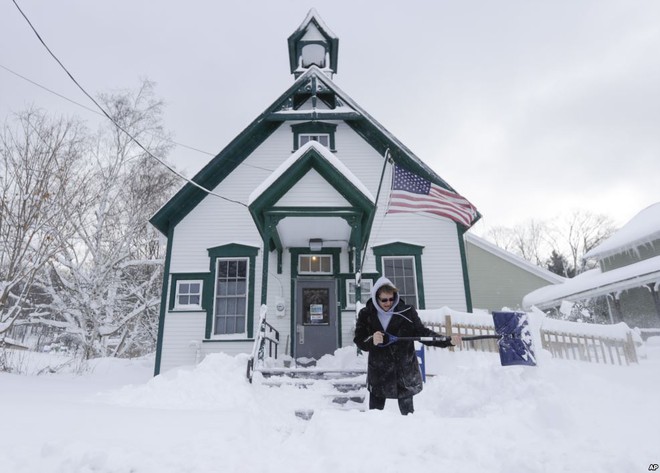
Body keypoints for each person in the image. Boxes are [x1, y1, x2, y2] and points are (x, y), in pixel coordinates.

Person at [353, 276, 461, 415]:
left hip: (403, 369)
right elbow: (359, 339)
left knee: (408, 416)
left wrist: (447, 341)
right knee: (375, 415)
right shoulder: (366, 314)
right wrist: (371, 340)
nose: (388, 303)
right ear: (376, 298)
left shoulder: (407, 312)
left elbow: (422, 333)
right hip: (379, 372)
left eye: (391, 299)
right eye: (384, 300)